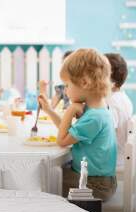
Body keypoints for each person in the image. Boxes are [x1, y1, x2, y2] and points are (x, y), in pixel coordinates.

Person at [38, 48, 117, 201]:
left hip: (96, 185)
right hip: (96, 179)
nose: (65, 90)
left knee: (44, 179)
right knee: (52, 172)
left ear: (84, 83)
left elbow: (61, 140)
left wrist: (70, 110)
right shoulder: (97, 109)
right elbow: (69, 131)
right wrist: (49, 110)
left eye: (67, 85)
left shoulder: (93, 118)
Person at [105, 53, 133, 168]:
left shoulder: (112, 102)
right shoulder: (123, 97)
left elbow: (106, 133)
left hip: (112, 160)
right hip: (120, 155)